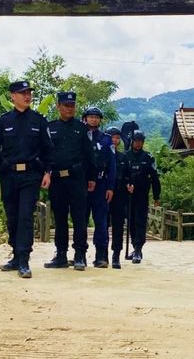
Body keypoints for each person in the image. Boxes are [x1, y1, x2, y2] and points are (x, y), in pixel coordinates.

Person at [0, 80, 53, 279]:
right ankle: (15, 255)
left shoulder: (39, 120)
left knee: (25, 216)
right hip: (9, 176)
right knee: (12, 217)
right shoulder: (4, 121)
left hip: (31, 176)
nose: (27, 96)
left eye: (29, 92)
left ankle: (24, 260)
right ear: (12, 96)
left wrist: (48, 172)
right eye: (22, 93)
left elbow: (49, 150)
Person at [44, 91, 97, 271]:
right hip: (57, 180)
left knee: (79, 218)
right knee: (59, 219)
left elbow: (90, 155)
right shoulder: (50, 128)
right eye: (66, 105)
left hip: (77, 179)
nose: (70, 108)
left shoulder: (82, 129)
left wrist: (91, 177)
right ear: (58, 106)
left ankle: (80, 255)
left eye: (73, 105)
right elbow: (46, 154)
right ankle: (60, 254)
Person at [82, 106, 116, 268]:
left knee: (101, 221)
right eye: (90, 116)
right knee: (80, 219)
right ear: (85, 118)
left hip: (101, 185)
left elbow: (112, 164)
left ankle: (102, 255)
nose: (93, 119)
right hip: (81, 185)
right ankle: (80, 254)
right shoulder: (80, 135)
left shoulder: (106, 139)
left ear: (100, 120)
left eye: (96, 117)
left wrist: (111, 187)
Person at [127, 130, 160, 263]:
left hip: (142, 195)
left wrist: (156, 196)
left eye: (140, 141)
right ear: (132, 142)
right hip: (128, 195)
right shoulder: (126, 156)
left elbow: (155, 178)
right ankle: (134, 246)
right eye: (136, 141)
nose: (138, 144)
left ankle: (138, 249)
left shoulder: (148, 157)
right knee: (131, 222)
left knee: (140, 221)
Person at [105, 126, 133, 269]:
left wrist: (130, 184)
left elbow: (129, 176)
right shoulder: (102, 155)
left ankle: (116, 255)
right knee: (103, 225)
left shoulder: (123, 157)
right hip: (104, 195)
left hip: (120, 195)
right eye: (112, 137)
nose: (115, 140)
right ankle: (102, 254)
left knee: (118, 226)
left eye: (117, 138)